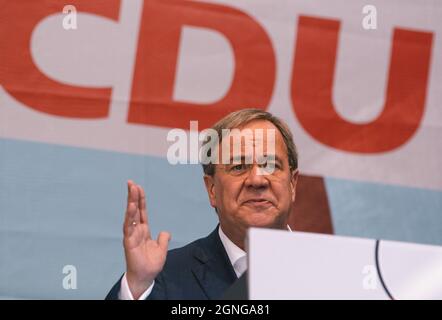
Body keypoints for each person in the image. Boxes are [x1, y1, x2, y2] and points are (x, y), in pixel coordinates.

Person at [106, 109, 299, 300]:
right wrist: (138, 287)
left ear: (292, 183)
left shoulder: (326, 267)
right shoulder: (162, 279)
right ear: (212, 189)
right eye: (239, 167)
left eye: (271, 165)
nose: (257, 180)